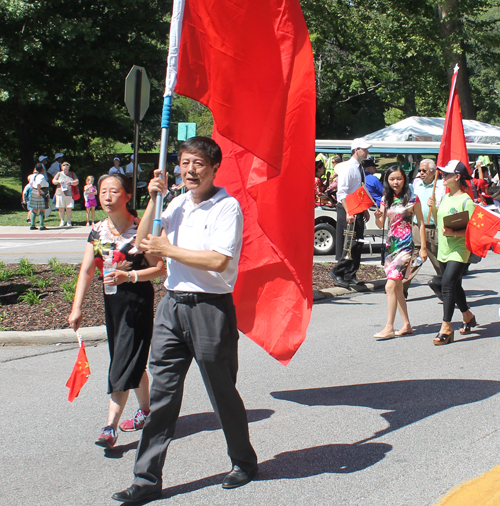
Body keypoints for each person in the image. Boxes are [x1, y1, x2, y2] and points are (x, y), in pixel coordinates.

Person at [112, 136, 258, 504]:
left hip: (211, 309)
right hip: (173, 308)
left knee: (222, 392)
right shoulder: (174, 203)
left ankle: (243, 461)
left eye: (198, 164)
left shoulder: (227, 208)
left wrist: (168, 249)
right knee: (161, 395)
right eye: (185, 163)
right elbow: (142, 242)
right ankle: (146, 480)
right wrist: (152, 199)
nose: (190, 170)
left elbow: (217, 261)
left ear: (213, 168)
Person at [68, 173, 165, 448]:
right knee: (131, 361)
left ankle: (110, 426)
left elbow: (159, 269)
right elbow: (87, 270)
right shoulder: (97, 230)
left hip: (137, 303)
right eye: (103, 192)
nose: (107, 197)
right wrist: (77, 309)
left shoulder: (141, 229)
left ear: (127, 196)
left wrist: (130, 277)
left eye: (114, 191)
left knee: (121, 362)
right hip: (113, 303)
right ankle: (146, 411)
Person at [373, 166, 427, 339]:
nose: (395, 182)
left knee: (390, 285)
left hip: (405, 246)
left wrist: (423, 248)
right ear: (387, 181)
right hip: (391, 247)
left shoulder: (412, 198)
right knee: (396, 288)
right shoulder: (385, 199)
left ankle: (389, 327)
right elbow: (381, 225)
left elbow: (421, 223)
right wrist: (377, 216)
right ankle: (406, 325)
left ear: (404, 179)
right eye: (391, 179)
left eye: (399, 178)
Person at [432, 160, 477, 345]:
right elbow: (440, 223)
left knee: (447, 284)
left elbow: (472, 230)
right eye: (443, 173)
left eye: (447, 174)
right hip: (444, 248)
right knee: (455, 286)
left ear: (457, 177)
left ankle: (446, 327)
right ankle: (467, 315)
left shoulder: (467, 201)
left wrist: (455, 232)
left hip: (460, 249)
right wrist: (433, 209)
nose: (443, 176)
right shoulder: (445, 198)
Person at [329, 138, 372, 289]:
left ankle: (350, 274)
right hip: (347, 208)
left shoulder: (359, 167)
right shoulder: (348, 167)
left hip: (357, 207)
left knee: (358, 242)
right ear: (356, 150)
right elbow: (342, 193)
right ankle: (337, 272)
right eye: (365, 149)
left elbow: (359, 190)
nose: (367, 152)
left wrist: (364, 209)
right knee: (351, 243)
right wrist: (349, 212)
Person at [403, 159, 445, 297]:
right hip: (417, 228)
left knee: (439, 264)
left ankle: (445, 288)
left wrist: (434, 206)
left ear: (433, 171)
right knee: (414, 260)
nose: (420, 173)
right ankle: (402, 290)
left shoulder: (441, 186)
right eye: (419, 170)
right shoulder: (416, 185)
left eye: (424, 170)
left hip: (433, 230)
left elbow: (444, 209)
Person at [53, 162, 78, 226]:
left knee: (68, 208)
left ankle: (69, 221)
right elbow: (53, 181)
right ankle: (62, 220)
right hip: (60, 193)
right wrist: (59, 181)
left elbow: (77, 181)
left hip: (69, 193)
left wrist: (71, 182)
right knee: (61, 207)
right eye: (64, 168)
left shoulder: (72, 174)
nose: (65, 170)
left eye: (66, 169)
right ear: (62, 168)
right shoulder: (59, 174)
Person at [28, 164, 50, 230]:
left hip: (34, 191)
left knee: (34, 209)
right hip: (40, 191)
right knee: (42, 209)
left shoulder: (33, 175)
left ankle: (32, 225)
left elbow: (31, 182)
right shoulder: (41, 176)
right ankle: (41, 225)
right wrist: (38, 191)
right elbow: (38, 184)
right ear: (42, 169)